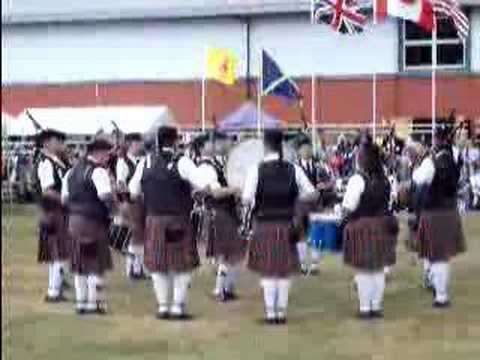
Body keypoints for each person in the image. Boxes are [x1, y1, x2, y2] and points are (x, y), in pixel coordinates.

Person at [129, 126, 206, 320]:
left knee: (158, 265)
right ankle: (178, 307)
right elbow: (203, 184)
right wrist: (196, 193)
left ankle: (163, 307)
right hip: (177, 220)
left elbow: (133, 191)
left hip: (154, 220)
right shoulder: (183, 162)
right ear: (175, 141)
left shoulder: (144, 162)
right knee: (182, 264)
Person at [243, 129, 317, 325]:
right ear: (281, 145)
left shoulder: (255, 169)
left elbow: (246, 199)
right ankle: (281, 313)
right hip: (287, 225)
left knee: (269, 271)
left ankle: (270, 313)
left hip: (264, 225)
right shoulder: (294, 169)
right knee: (283, 271)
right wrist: (294, 201)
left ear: (265, 146)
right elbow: (312, 193)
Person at [342, 137, 398, 319]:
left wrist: (341, 213)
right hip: (382, 225)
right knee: (378, 269)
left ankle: (365, 308)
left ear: (363, 158)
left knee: (364, 269)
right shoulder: (386, 179)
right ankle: (376, 307)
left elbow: (348, 206)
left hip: (362, 226)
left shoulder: (357, 180)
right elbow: (392, 202)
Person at [62, 139, 115, 315]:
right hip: (93, 222)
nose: (108, 157)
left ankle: (81, 303)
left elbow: (64, 199)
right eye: (107, 153)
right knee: (94, 265)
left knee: (79, 265)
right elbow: (105, 196)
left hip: (74, 222)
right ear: (98, 153)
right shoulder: (98, 171)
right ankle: (93, 304)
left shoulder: (71, 172)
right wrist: (114, 212)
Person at [415, 126, 466, 308]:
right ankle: (432, 281)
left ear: (438, 140)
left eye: (434, 138)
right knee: (440, 256)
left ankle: (441, 296)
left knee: (437, 256)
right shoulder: (454, 160)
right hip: (449, 212)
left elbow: (417, 179)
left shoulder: (431, 162)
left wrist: (422, 159)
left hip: (433, 213)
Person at [196, 132, 244, 301]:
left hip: (227, 210)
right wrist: (236, 189)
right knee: (225, 252)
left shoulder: (219, 163)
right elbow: (216, 193)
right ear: (203, 147)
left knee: (233, 252)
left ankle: (228, 288)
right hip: (218, 211)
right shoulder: (205, 167)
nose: (215, 145)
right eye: (211, 143)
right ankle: (219, 290)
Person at [34, 129, 70, 302]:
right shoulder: (46, 163)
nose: (59, 143)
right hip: (53, 211)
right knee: (58, 252)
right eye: (57, 140)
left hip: (58, 210)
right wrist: (68, 200)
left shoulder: (56, 161)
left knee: (58, 252)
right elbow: (48, 191)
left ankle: (55, 287)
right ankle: (53, 291)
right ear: (47, 143)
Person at [294, 135, 332, 275]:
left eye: (308, 147)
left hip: (316, 204)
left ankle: (315, 264)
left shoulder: (318, 166)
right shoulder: (295, 167)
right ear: (298, 151)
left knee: (317, 234)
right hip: (300, 204)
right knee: (301, 234)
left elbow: (330, 181)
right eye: (304, 148)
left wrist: (324, 185)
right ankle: (303, 264)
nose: (307, 150)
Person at [115, 132, 146, 279]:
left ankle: (138, 268)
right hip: (131, 201)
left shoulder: (140, 160)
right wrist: (125, 202)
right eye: (138, 142)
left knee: (140, 236)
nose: (141, 145)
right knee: (133, 236)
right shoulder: (123, 162)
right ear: (132, 144)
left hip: (141, 201)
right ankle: (132, 269)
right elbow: (121, 184)